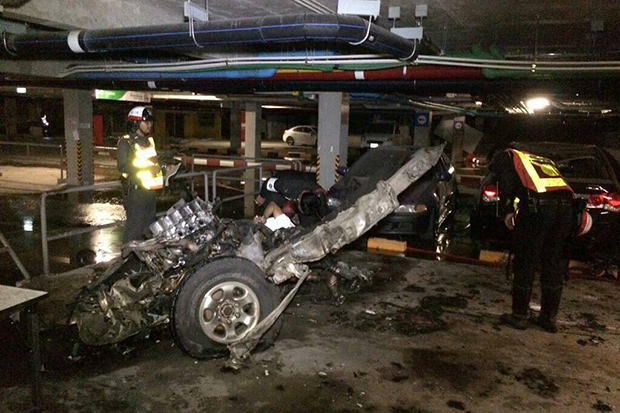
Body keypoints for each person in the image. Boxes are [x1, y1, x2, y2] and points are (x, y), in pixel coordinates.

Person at [490, 147, 576, 333]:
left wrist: (508, 212)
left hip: (538, 211)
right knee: (552, 262)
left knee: (525, 260)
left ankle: (519, 316)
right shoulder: (540, 159)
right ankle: (548, 319)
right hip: (566, 210)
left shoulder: (506, 156)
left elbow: (506, 186)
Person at [117, 106, 163, 243]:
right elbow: (123, 166)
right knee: (134, 231)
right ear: (136, 123)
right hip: (135, 194)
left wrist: (165, 167)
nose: (150, 125)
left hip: (150, 193)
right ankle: (126, 260)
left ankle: (144, 261)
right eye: (146, 122)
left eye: (151, 122)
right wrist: (148, 168)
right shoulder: (126, 142)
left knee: (149, 232)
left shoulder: (149, 142)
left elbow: (153, 163)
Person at [254, 170, 329, 227]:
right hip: (281, 191)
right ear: (298, 199)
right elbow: (267, 183)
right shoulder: (285, 185)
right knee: (266, 207)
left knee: (308, 225)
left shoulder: (318, 196)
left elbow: (326, 217)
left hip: (301, 192)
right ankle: (260, 222)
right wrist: (262, 196)